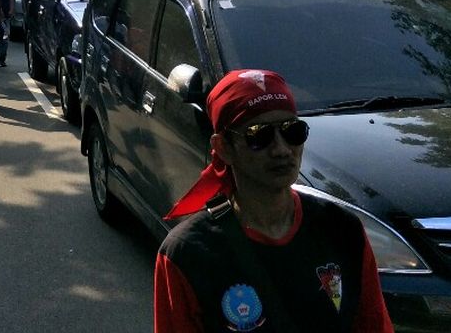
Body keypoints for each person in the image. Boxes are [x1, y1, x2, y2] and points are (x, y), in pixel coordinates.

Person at [153, 70, 393, 333]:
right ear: (223, 147)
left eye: (293, 131)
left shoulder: (343, 230)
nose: (281, 149)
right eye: (259, 136)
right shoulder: (187, 254)